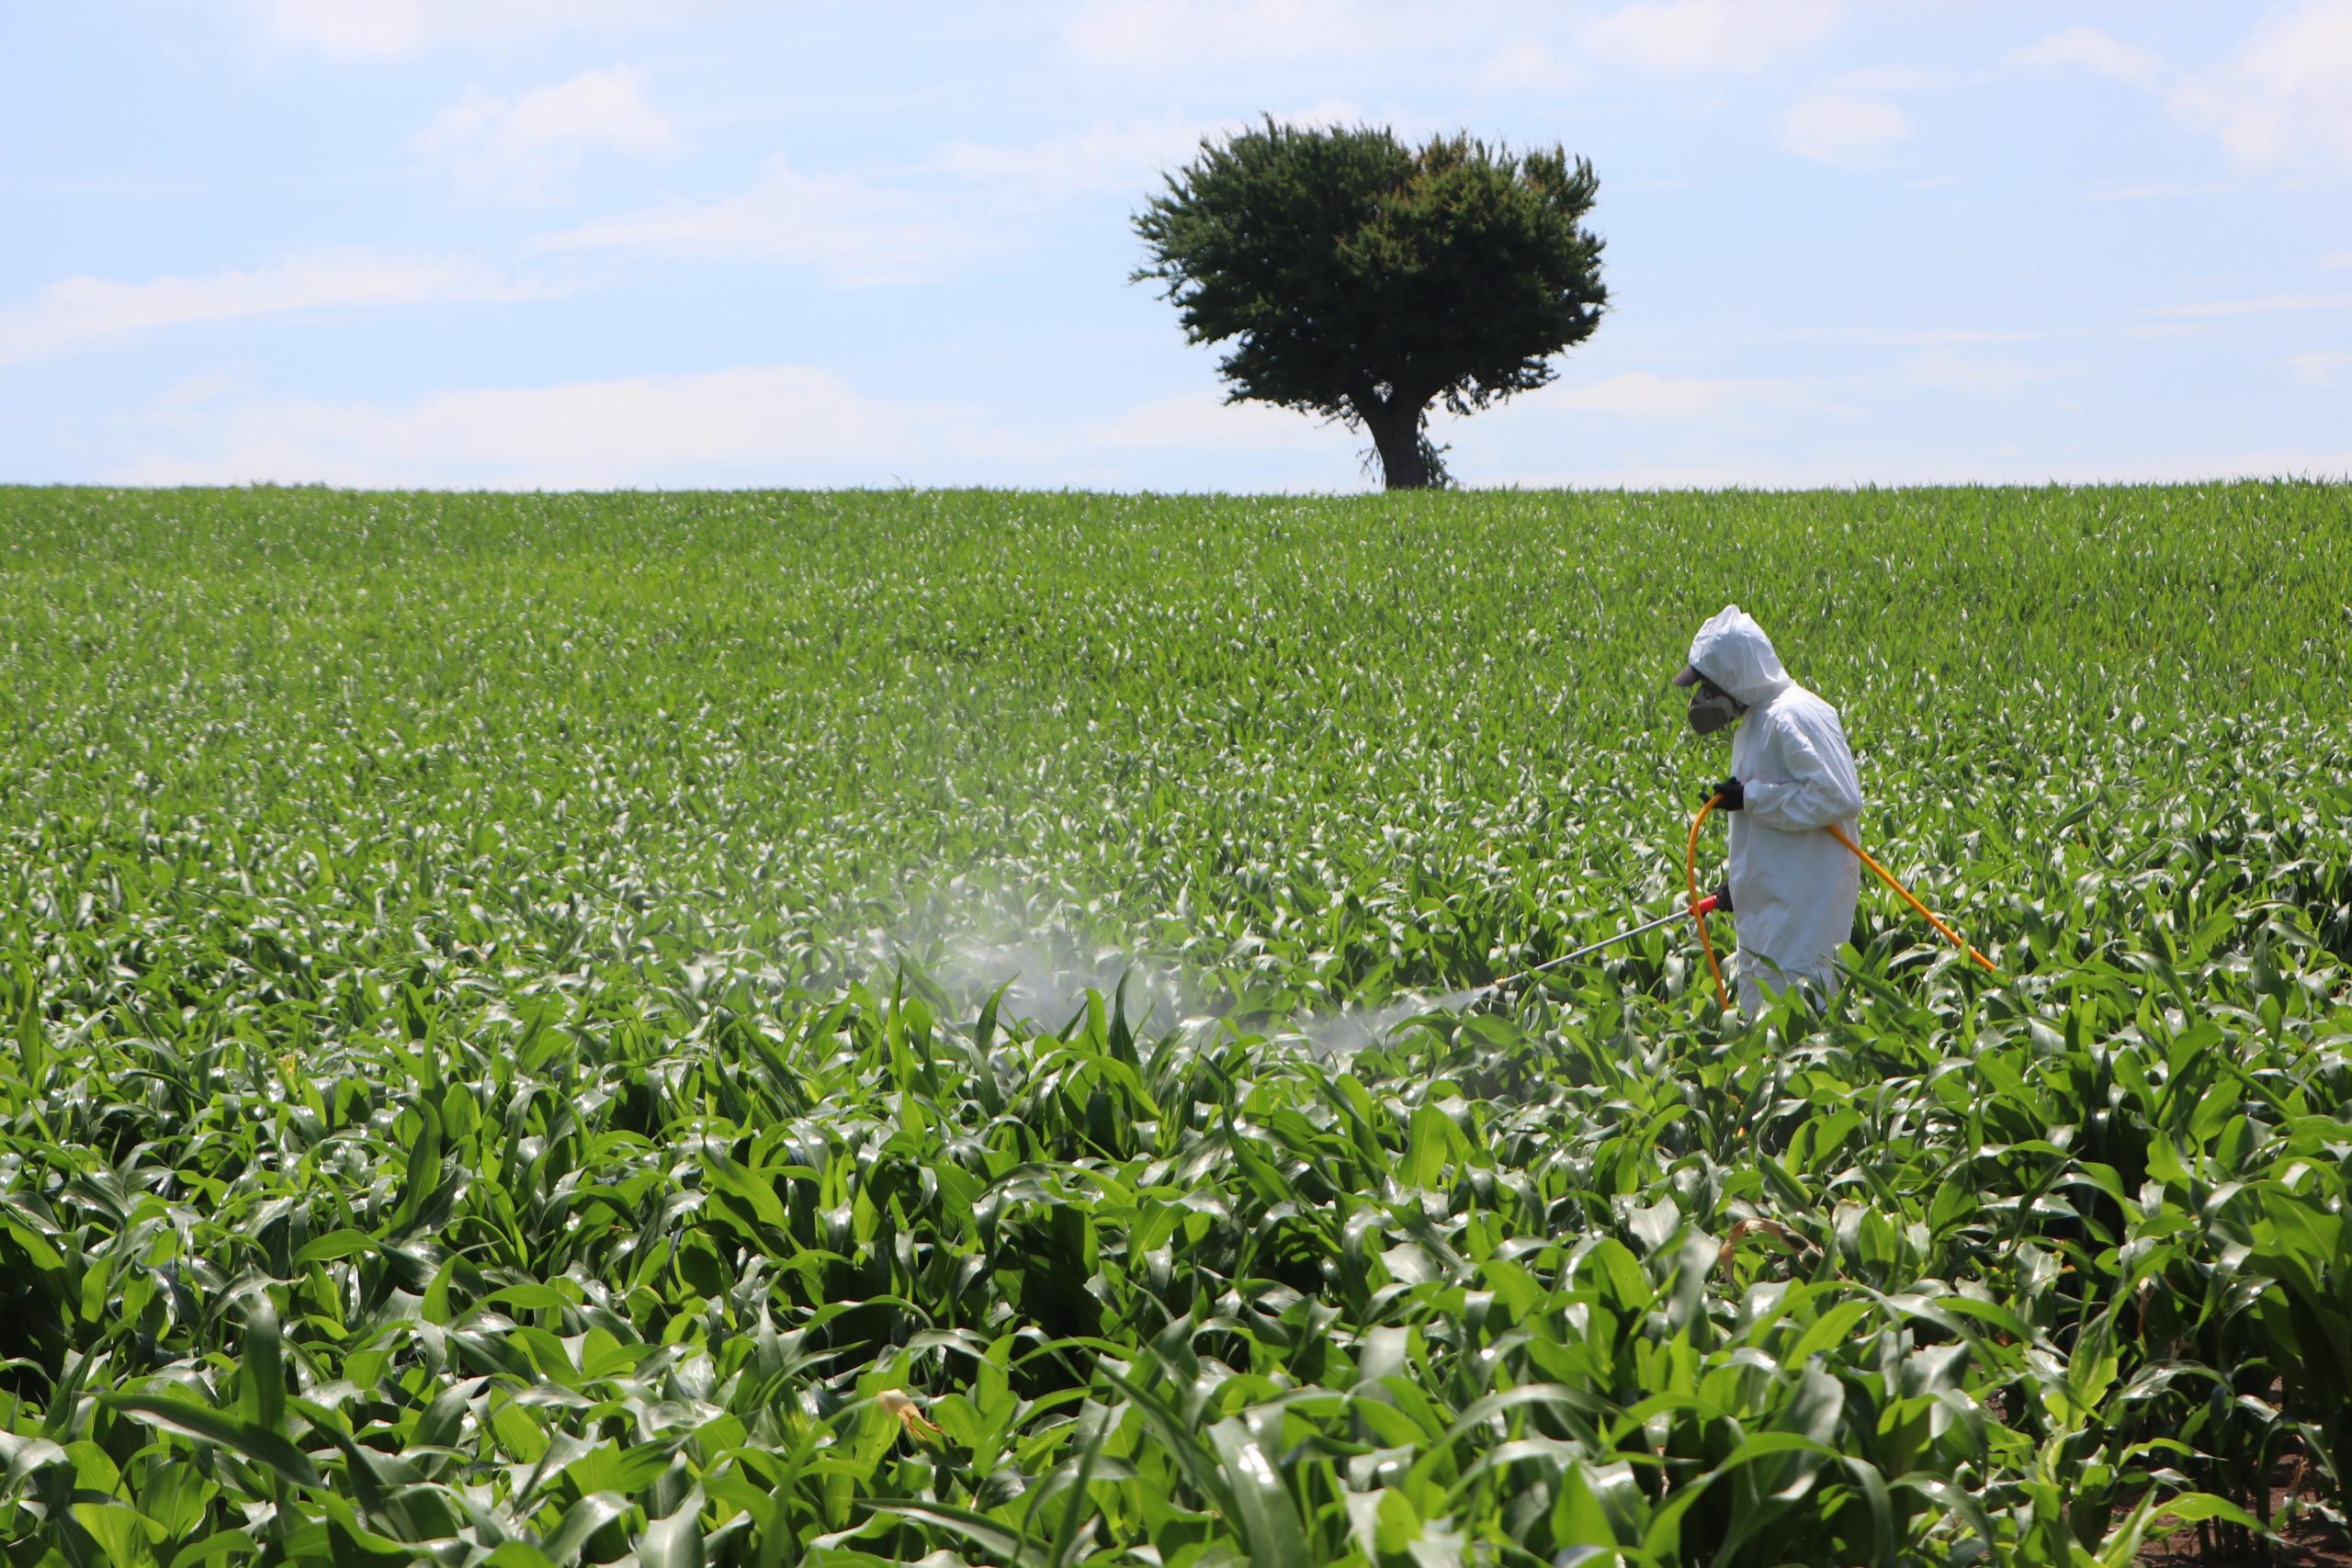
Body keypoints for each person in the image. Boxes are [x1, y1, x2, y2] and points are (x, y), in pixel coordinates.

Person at [1672, 604, 1863, 1014]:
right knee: (1761, 1015)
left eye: (1709, 687)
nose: (1703, 699)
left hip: (1803, 912)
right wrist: (1741, 889)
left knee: (1799, 1016)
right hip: (1774, 904)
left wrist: (1751, 799)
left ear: (1735, 676)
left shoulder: (1794, 715)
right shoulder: (1756, 723)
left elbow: (1838, 796)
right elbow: (1772, 828)